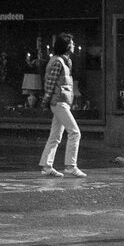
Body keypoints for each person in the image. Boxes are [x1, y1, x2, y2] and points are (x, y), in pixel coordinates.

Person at [38, 33, 86, 178]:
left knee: (56, 135)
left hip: (61, 101)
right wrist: (46, 101)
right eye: (71, 43)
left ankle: (47, 166)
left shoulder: (63, 61)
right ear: (66, 46)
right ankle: (71, 166)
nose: (73, 45)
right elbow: (50, 84)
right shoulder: (59, 62)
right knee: (75, 132)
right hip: (59, 102)